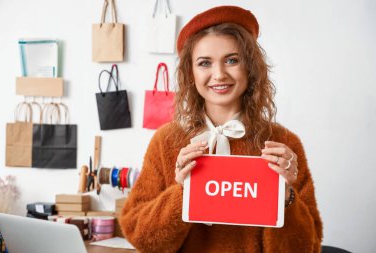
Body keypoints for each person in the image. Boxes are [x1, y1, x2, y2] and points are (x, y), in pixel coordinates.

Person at [120, 5, 322, 253]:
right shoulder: (166, 141)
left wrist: (286, 198)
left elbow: (307, 248)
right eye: (205, 63)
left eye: (232, 60)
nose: (219, 74)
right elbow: (143, 240)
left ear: (250, 67)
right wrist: (183, 191)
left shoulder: (282, 143)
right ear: (190, 73)